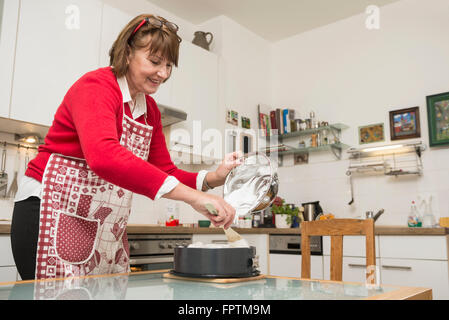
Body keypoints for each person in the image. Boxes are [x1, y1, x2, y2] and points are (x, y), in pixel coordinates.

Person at [10, 14, 240, 281]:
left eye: (168, 65)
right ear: (127, 52)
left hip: (102, 225)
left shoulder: (150, 111)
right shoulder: (97, 86)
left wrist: (214, 178)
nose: (163, 74)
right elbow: (105, 157)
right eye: (155, 62)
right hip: (51, 210)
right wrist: (194, 197)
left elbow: (165, 170)